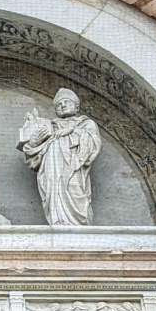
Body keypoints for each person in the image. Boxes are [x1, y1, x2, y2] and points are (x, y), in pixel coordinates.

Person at [19, 88, 101, 226]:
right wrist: (34, 138)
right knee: (53, 191)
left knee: (74, 189)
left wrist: (72, 131)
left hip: (74, 167)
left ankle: (78, 223)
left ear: (76, 107)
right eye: (59, 104)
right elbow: (31, 153)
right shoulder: (50, 126)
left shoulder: (86, 124)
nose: (62, 105)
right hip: (51, 168)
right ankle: (57, 220)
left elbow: (94, 144)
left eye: (67, 102)